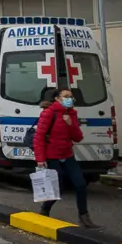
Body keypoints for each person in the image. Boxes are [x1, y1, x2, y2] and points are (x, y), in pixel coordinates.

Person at [34, 87, 99, 228]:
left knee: (80, 184)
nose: (70, 99)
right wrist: (40, 159)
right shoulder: (49, 113)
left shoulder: (72, 114)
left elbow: (78, 137)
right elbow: (38, 137)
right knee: (59, 187)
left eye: (71, 96)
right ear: (58, 98)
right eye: (66, 96)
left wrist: (70, 124)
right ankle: (45, 209)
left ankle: (84, 217)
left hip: (67, 155)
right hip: (52, 156)